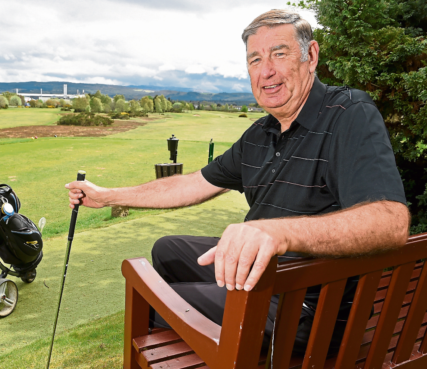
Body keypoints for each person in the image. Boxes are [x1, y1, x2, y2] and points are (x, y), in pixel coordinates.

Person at [65, 9, 410, 353]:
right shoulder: (261, 134)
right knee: (166, 251)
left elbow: (390, 222)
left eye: (279, 53)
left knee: (154, 296)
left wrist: (278, 233)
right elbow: (193, 184)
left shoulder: (350, 114)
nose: (266, 71)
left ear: (311, 56)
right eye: (255, 59)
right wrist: (109, 196)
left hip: (307, 309)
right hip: (265, 278)